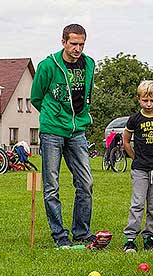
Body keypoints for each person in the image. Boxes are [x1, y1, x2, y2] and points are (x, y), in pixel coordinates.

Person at [31, 24, 96, 247]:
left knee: (86, 183)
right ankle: (60, 236)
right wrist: (54, 116)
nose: (78, 48)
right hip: (52, 131)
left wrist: (80, 117)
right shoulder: (48, 66)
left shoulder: (89, 64)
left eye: (81, 44)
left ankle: (81, 232)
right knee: (52, 186)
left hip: (77, 130)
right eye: (73, 43)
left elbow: (88, 93)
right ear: (63, 42)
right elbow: (36, 98)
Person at [122, 80, 153, 252]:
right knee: (137, 203)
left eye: (152, 100)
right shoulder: (134, 120)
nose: (149, 104)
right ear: (139, 99)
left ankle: (149, 237)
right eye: (145, 100)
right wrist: (136, 157)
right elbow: (126, 141)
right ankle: (130, 238)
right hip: (140, 168)